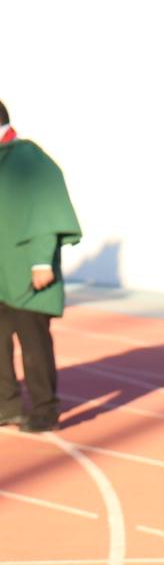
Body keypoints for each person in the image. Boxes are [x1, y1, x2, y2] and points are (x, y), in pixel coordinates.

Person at [0, 102, 82, 434]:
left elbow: (47, 211)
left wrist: (41, 262)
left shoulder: (29, 159)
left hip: (26, 271)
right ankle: (6, 405)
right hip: (1, 274)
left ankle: (45, 410)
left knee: (34, 345)